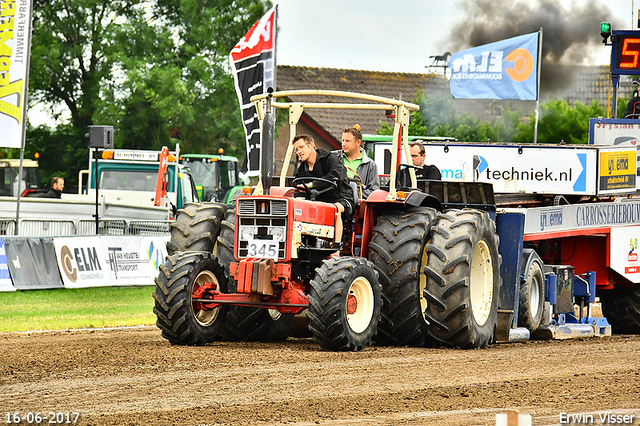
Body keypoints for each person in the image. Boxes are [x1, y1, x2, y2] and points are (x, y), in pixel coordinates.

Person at [293, 134, 354, 245]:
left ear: (311, 145)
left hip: (341, 198)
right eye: (296, 150)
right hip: (317, 202)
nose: (299, 152)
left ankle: (336, 247)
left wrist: (312, 185)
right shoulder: (301, 170)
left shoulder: (329, 159)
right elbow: (298, 187)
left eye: (301, 147)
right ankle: (301, 244)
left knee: (335, 209)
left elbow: (337, 175)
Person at [339, 125, 380, 199]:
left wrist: (353, 193)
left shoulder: (371, 165)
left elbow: (374, 192)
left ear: (358, 142)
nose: (343, 144)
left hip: (357, 207)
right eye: (343, 140)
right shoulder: (333, 157)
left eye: (347, 141)